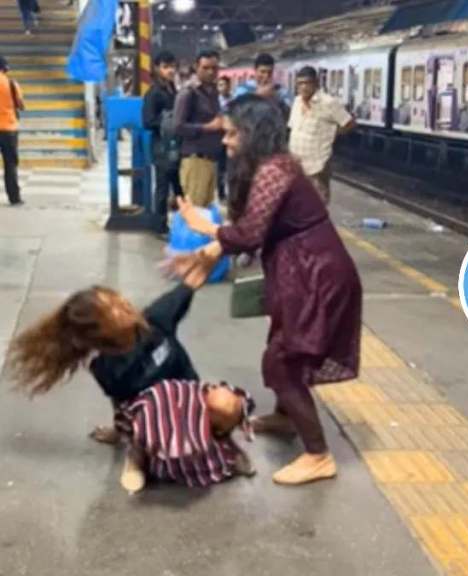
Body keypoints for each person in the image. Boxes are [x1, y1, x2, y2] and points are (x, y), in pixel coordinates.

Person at [171, 95, 363, 486]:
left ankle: (318, 455)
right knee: (285, 342)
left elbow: (249, 234)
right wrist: (210, 249)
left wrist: (200, 224)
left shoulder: (275, 169)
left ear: (253, 133)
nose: (225, 141)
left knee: (286, 361)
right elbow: (253, 228)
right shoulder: (268, 167)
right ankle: (286, 417)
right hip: (302, 268)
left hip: (315, 273)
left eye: (232, 133)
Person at [4, 280, 256, 494]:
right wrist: (121, 433)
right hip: (157, 420)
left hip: (192, 402)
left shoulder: (156, 319)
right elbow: (122, 405)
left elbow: (190, 282)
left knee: (225, 401)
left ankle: (222, 446)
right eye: (113, 311)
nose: (124, 306)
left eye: (118, 301)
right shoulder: (107, 368)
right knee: (159, 400)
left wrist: (217, 245)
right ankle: (138, 456)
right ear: (102, 336)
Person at [289, 66, 356, 203]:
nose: (304, 87)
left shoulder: (328, 102)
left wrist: (332, 134)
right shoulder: (296, 102)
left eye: (307, 83)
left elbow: (349, 123)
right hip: (297, 165)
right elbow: (292, 127)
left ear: (316, 83)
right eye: (300, 83)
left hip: (317, 165)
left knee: (316, 205)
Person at [173, 51, 224, 208]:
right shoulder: (189, 93)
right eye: (205, 68)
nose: (210, 72)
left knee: (205, 210)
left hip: (211, 159)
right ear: (196, 67)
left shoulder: (213, 92)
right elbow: (178, 126)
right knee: (195, 210)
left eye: (214, 68)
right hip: (195, 160)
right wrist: (206, 127)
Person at [143, 50, 183, 234]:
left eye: (173, 66)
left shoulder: (172, 89)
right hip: (161, 147)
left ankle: (184, 223)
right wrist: (167, 121)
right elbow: (147, 121)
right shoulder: (154, 93)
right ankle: (159, 226)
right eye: (166, 67)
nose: (170, 70)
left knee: (178, 185)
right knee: (162, 188)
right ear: (157, 68)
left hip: (174, 145)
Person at [0, 56, 24, 206]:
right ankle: (14, 197)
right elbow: (20, 104)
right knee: (10, 164)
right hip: (9, 129)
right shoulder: (11, 83)